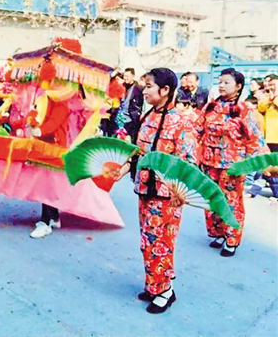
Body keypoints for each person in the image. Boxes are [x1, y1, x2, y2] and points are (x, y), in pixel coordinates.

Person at [115, 68, 198, 314]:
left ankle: (165, 291)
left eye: (149, 86)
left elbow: (190, 162)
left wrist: (181, 191)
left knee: (162, 242)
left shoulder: (182, 122)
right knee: (148, 241)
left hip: (167, 197)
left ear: (165, 90)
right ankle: (154, 285)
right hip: (145, 190)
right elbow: (139, 152)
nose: (145, 90)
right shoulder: (147, 117)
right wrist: (125, 168)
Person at [196, 68, 268, 257]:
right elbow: (197, 130)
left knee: (231, 202)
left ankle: (232, 239)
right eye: (220, 81)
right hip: (209, 163)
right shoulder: (210, 107)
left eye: (226, 82)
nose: (221, 85)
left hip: (232, 166)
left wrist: (264, 162)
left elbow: (255, 138)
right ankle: (218, 232)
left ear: (238, 86)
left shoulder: (244, 110)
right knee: (211, 199)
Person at [28, 96, 71, 239]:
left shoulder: (61, 104)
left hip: (54, 150)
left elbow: (53, 123)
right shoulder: (45, 99)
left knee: (46, 185)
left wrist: (39, 131)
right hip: (45, 147)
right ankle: (54, 216)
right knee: (47, 184)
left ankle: (45, 222)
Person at [257, 74, 278, 199]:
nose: (271, 87)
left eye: (274, 85)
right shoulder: (267, 97)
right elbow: (260, 107)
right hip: (269, 137)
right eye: (270, 85)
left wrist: (275, 97)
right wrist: (270, 98)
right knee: (270, 166)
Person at [117, 68, 144, 142]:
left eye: (127, 76)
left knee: (127, 141)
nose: (125, 78)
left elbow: (139, 105)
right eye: (124, 76)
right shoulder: (122, 86)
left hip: (130, 120)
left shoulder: (138, 89)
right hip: (119, 118)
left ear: (133, 76)